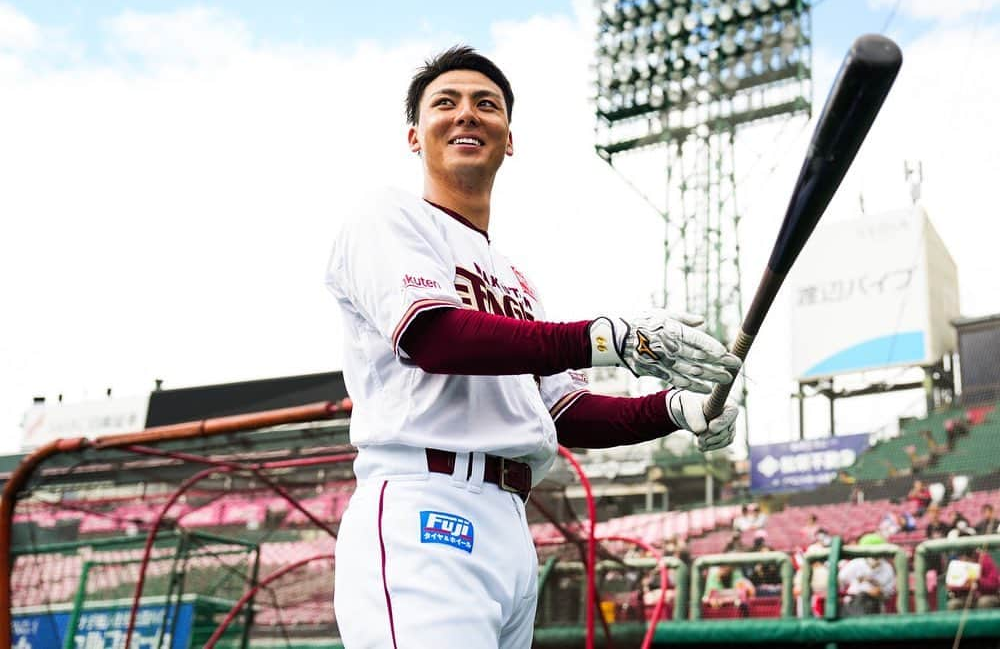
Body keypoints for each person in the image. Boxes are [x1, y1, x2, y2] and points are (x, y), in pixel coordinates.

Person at [326, 46, 741, 648]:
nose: (467, 114)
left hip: (510, 524)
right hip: (424, 505)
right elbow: (436, 337)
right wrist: (608, 337)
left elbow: (563, 412)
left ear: (509, 139)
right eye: (446, 103)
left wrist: (673, 410)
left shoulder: (516, 280)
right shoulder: (388, 216)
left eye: (485, 104)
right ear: (415, 136)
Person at [838, 535, 896, 616]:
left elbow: (888, 594)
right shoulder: (856, 563)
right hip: (852, 602)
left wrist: (879, 593)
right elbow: (839, 580)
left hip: (875, 606)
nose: (874, 556)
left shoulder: (887, 568)